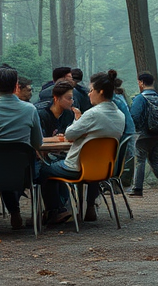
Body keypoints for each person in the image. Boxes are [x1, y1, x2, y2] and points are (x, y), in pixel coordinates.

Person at [37, 70, 125, 225]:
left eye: (91, 90)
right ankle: (90, 206)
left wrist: (78, 120)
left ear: (101, 92)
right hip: (102, 168)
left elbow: (70, 134)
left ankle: (55, 211)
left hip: (77, 166)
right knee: (90, 166)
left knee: (45, 170)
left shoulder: (92, 114)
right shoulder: (120, 115)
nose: (89, 94)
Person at [0, 66, 43, 230]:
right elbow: (37, 143)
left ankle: (13, 211)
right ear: (16, 86)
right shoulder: (30, 110)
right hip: (25, 174)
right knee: (22, 165)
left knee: (0, 162)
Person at [128, 73, 158, 198]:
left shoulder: (140, 98)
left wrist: (135, 130)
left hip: (144, 135)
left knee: (140, 160)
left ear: (141, 82)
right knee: (156, 160)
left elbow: (134, 115)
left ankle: (137, 188)